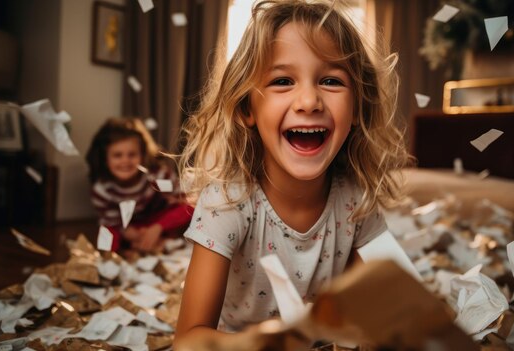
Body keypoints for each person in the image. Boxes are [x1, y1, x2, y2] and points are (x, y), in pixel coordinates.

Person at [175, 0, 409, 342]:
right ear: (246, 108)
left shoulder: (356, 202)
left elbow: (381, 304)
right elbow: (189, 340)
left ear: (359, 107)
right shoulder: (226, 203)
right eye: (283, 81)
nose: (309, 101)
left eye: (331, 81)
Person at [86, 117, 193, 252]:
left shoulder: (158, 175)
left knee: (189, 207)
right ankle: (119, 255)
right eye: (117, 155)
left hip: (156, 222)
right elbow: (112, 222)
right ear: (105, 158)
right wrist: (134, 235)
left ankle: (157, 242)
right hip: (126, 227)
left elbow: (186, 201)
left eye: (132, 154)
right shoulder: (101, 189)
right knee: (107, 233)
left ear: (142, 155)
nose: (125, 161)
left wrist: (157, 227)